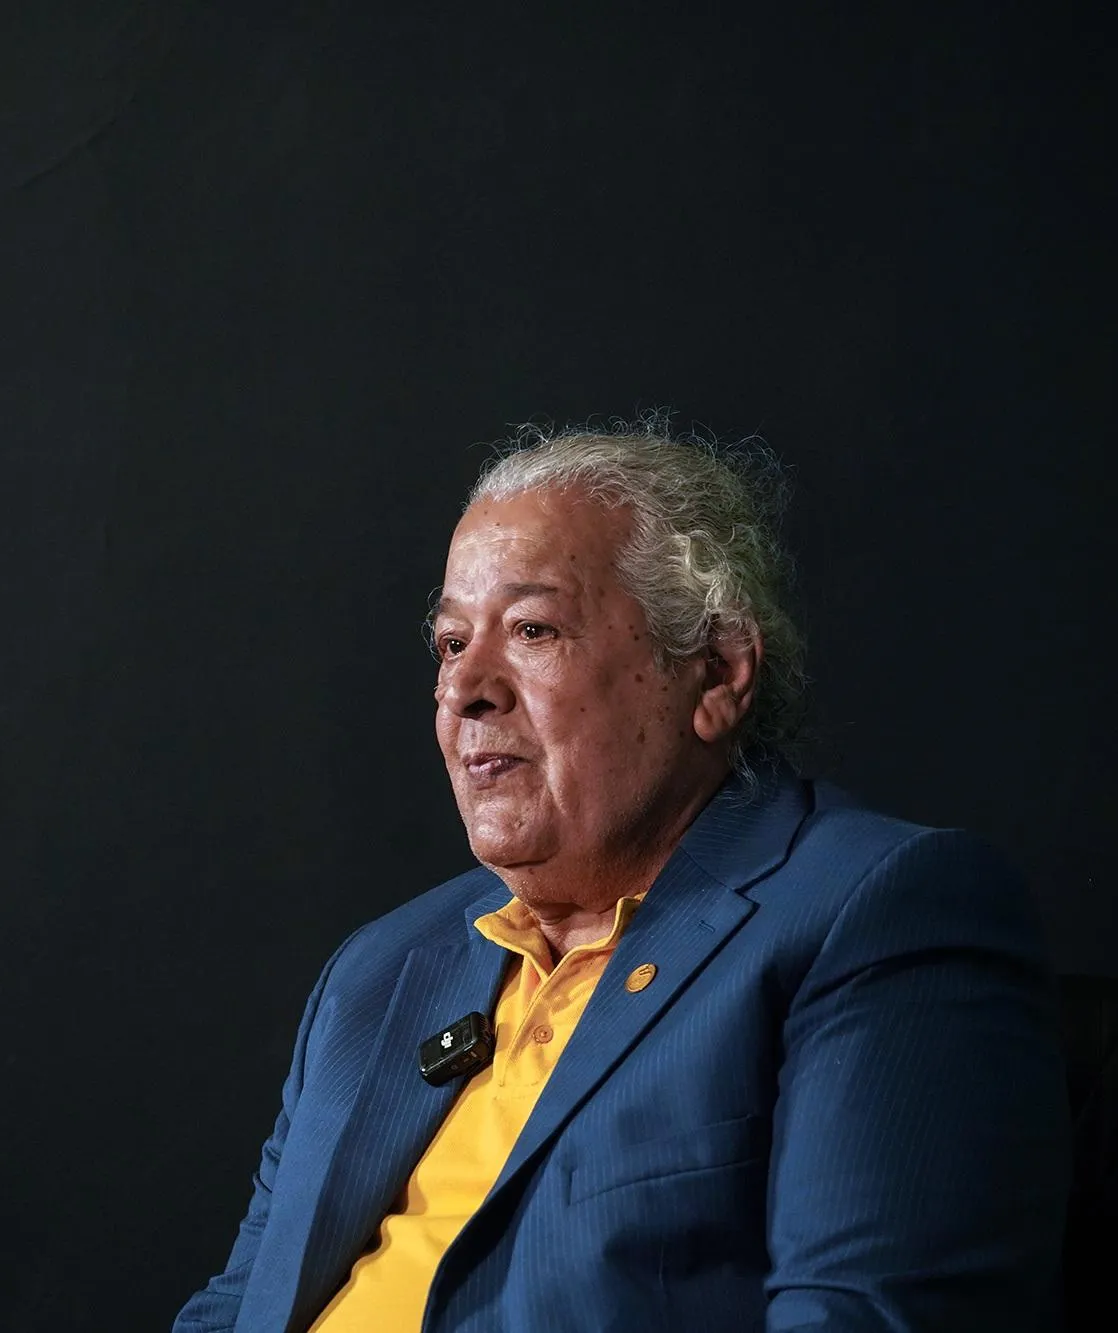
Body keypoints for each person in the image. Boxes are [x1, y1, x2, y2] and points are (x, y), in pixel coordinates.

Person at [174, 422, 1071, 1332]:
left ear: (715, 674)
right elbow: (237, 1306)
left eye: (533, 629)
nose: (464, 688)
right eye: (449, 643)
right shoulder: (379, 969)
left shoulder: (874, 912)